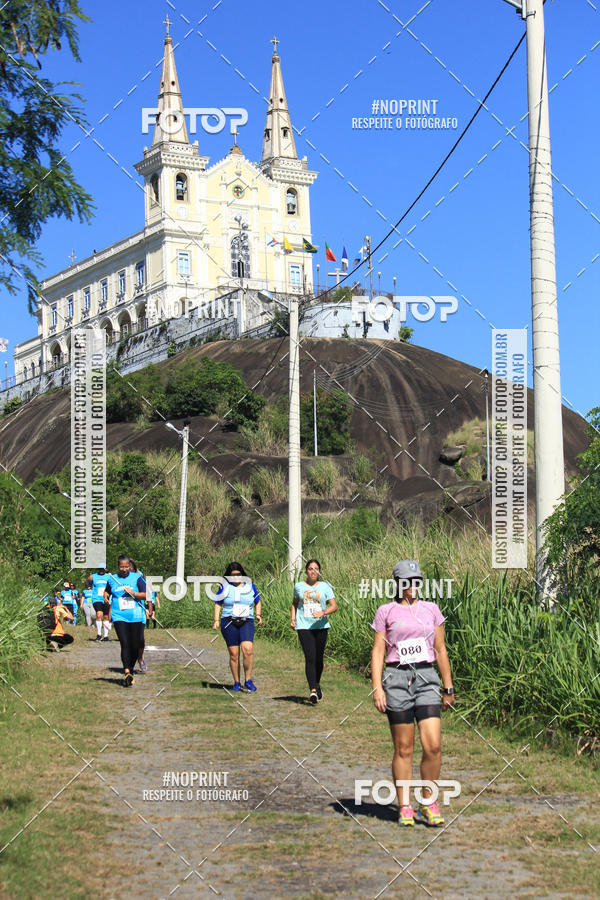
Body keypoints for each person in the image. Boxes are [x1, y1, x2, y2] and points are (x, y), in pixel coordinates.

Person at [371, 560, 455, 828]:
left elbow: (440, 649)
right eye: (406, 581)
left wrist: (448, 686)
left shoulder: (431, 609)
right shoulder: (386, 611)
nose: (412, 586)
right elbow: (378, 652)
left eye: (416, 580)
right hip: (396, 679)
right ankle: (405, 806)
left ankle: (428, 802)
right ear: (397, 583)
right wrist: (377, 687)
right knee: (404, 748)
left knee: (433, 746)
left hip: (427, 678)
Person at [292, 559, 337, 704]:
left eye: (316, 569)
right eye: (310, 568)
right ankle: (312, 690)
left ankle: (317, 685)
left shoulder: (325, 586)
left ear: (319, 571)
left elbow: (334, 606)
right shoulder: (299, 586)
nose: (313, 571)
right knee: (310, 657)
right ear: (306, 571)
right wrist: (293, 619)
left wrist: (323, 612)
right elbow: (294, 603)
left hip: (321, 626)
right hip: (304, 626)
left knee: (318, 659)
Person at [213, 562, 262, 692]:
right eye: (233, 575)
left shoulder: (250, 586)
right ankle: (236, 682)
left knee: (248, 649)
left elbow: (258, 601)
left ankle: (248, 680)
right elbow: (218, 603)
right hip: (229, 622)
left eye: (238, 574)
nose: (236, 577)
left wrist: (258, 615)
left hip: (247, 621)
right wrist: (216, 620)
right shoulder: (225, 587)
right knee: (234, 654)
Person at [104, 555, 147, 687]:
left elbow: (146, 594)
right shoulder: (112, 579)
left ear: (130, 565)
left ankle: (131, 668)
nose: (124, 569)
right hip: (119, 616)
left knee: (135, 645)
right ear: (118, 566)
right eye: (121, 567)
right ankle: (127, 671)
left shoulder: (137, 578)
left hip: (135, 615)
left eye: (126, 566)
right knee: (125, 643)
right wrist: (105, 597)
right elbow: (107, 592)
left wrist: (133, 593)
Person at [128, 559, 147, 673]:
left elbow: (148, 594)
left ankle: (140, 658)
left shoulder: (139, 578)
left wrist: (151, 609)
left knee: (140, 640)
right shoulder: (120, 580)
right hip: (125, 614)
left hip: (138, 613)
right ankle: (130, 664)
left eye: (129, 568)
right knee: (129, 640)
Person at [88, 567, 110, 642]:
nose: (101, 571)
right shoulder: (93, 576)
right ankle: (99, 634)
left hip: (106, 599)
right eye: (99, 569)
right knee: (99, 614)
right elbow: (88, 585)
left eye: (102, 569)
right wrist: (88, 580)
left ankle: (106, 636)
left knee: (106, 616)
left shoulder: (109, 576)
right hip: (97, 598)